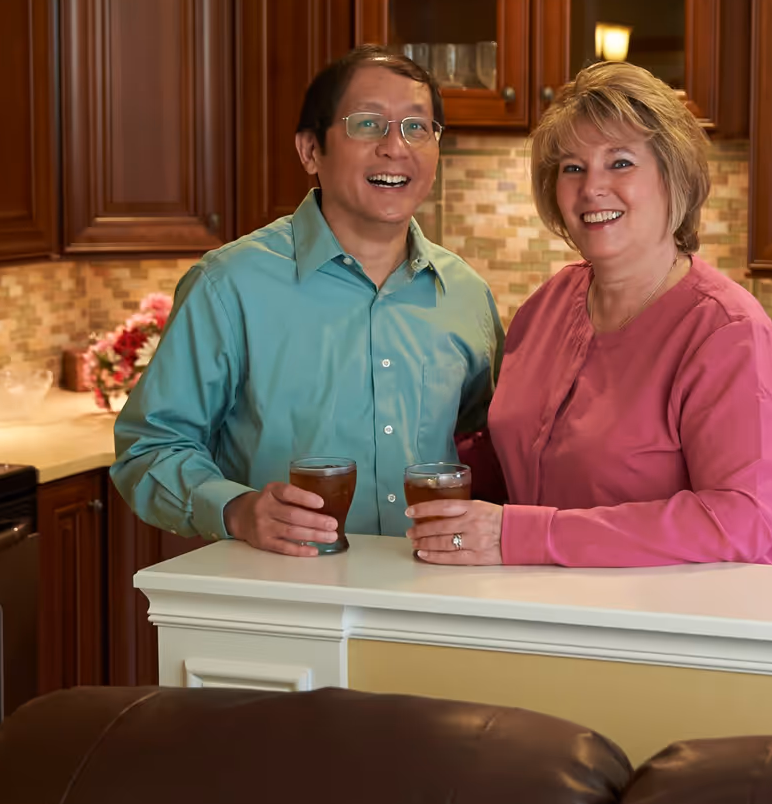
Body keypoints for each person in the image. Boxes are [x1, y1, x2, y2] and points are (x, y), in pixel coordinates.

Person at [111, 45, 502, 556]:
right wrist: (236, 509)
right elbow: (149, 448)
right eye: (367, 124)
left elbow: (490, 446)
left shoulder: (466, 295)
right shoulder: (228, 285)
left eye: (416, 127)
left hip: (432, 597)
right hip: (284, 605)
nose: (395, 147)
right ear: (310, 150)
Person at [407, 61, 772, 567]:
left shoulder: (728, 334)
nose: (592, 187)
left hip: (695, 634)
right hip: (560, 620)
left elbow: (740, 521)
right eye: (572, 167)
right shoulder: (546, 307)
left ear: (672, 176)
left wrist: (522, 536)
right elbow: (518, 462)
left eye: (620, 163)